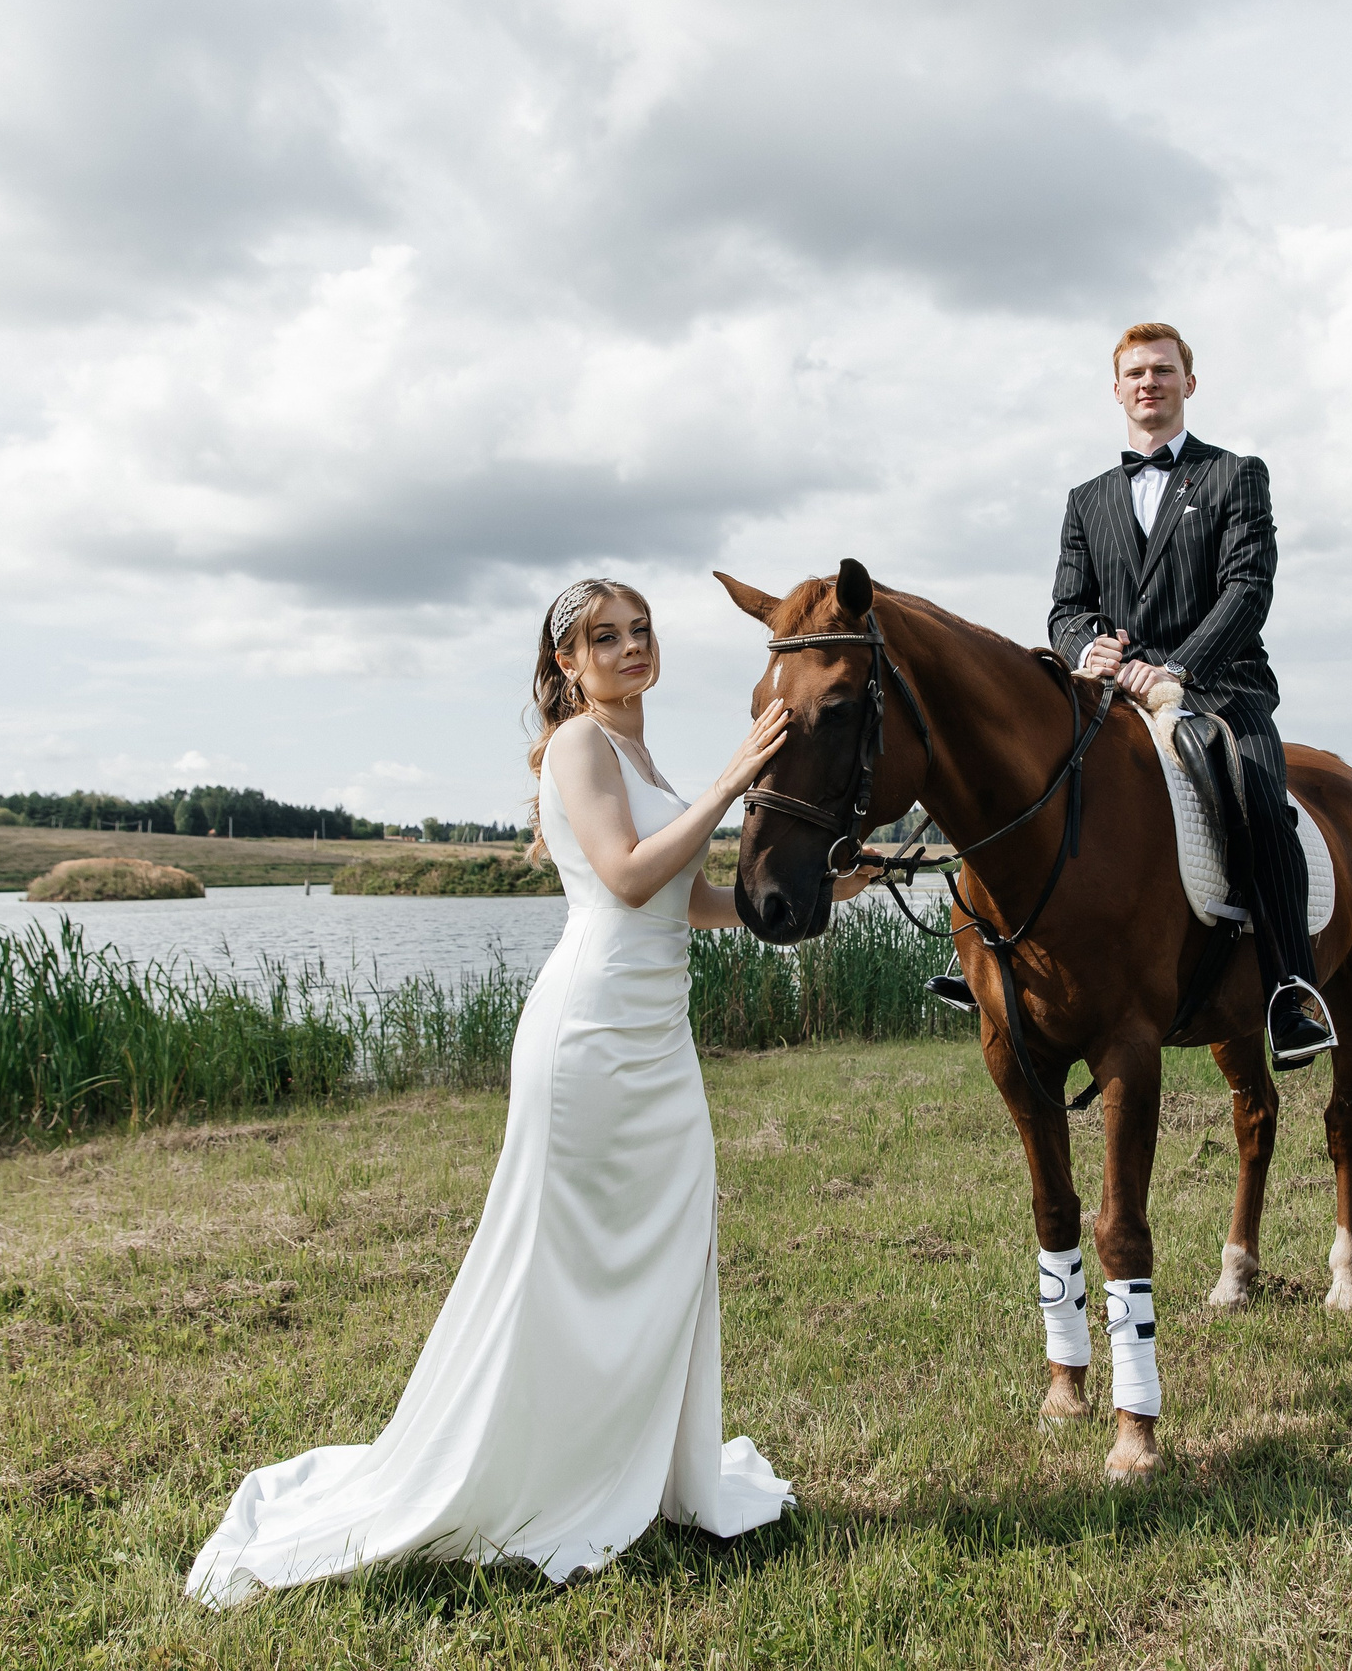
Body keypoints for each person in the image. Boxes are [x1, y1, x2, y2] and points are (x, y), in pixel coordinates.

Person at [187, 578, 859, 1605]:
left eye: (640, 630)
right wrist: (729, 787)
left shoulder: (639, 755)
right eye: (605, 637)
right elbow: (628, 877)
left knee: (669, 1248)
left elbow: (688, 904)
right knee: (564, 1259)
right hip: (588, 1037)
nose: (631, 647)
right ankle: (546, 1469)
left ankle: (644, 1465)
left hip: (658, 1040)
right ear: (567, 666)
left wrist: (813, 899)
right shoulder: (582, 747)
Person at [1045, 322, 1337, 1068]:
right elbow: (1066, 608)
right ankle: (999, 960)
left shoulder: (1236, 475)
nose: (1150, 382)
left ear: (1188, 384)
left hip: (1221, 690)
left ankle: (1290, 991)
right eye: (1136, 372)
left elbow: (1247, 591)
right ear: (1117, 391)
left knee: (1258, 795)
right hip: (1113, 695)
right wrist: (1087, 646)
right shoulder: (1086, 500)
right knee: (1028, 768)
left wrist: (1177, 668)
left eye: (1164, 370)